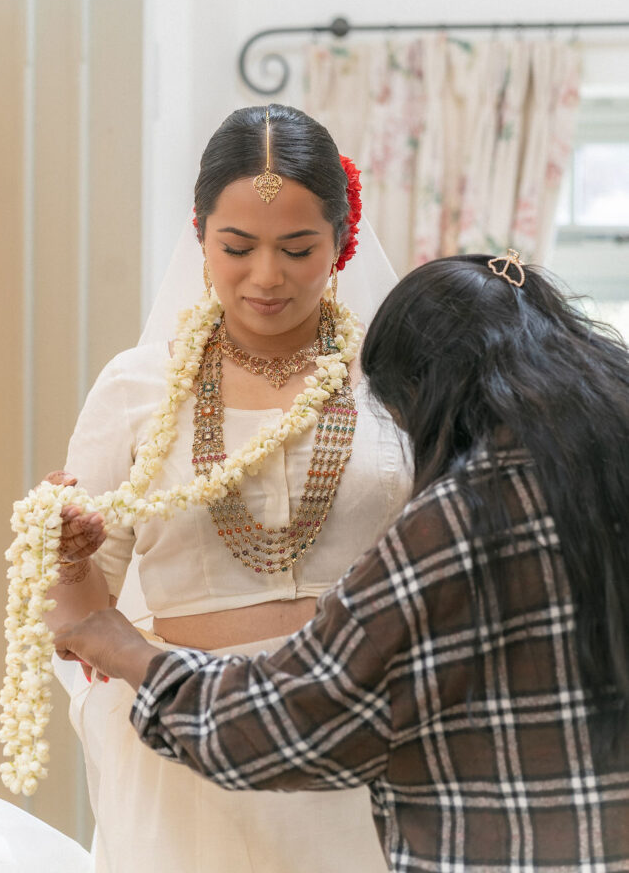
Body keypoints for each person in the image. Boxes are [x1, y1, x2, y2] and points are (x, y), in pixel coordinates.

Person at [56, 252, 629, 872]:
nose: (268, 273)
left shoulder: (459, 522)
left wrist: (126, 651)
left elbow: (288, 723)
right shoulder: (599, 471)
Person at [45, 105, 412, 872]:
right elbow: (80, 620)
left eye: (297, 248)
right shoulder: (137, 388)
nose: (266, 276)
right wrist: (66, 553)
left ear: (341, 241)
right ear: (201, 237)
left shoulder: (397, 383)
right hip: (186, 748)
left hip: (362, 742)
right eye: (237, 247)